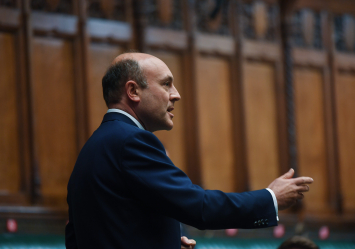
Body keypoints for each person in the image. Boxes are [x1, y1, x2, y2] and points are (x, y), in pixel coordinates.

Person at [65, 52, 313, 249]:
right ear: (133, 91)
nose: (177, 95)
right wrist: (270, 198)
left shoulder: (94, 147)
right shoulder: (132, 142)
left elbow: (78, 237)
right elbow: (199, 207)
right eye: (167, 84)